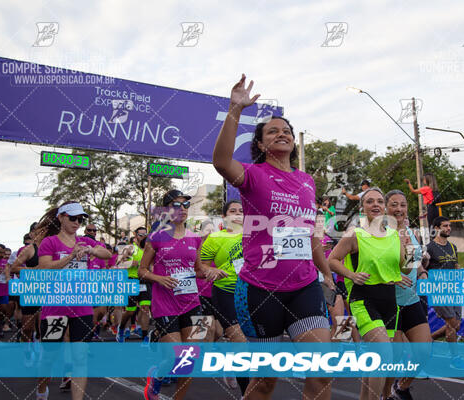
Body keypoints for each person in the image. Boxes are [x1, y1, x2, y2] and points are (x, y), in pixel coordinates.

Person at [212, 74, 335, 400]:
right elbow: (221, 161)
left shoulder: (307, 181)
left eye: (287, 131)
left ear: (293, 141)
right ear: (262, 144)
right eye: (273, 131)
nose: (282, 134)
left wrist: (325, 272)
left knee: (322, 371)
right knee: (266, 382)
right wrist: (235, 109)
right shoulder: (253, 175)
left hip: (304, 287)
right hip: (261, 292)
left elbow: (309, 236)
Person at [138, 189, 226, 400]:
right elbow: (142, 271)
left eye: (185, 205)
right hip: (165, 304)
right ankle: (158, 374)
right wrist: (159, 279)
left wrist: (210, 273)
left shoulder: (195, 238)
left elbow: (197, 270)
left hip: (191, 302)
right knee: (172, 358)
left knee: (190, 359)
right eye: (177, 205)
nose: (183, 209)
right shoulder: (156, 238)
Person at [328, 188, 411, 399]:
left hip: (390, 302)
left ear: (384, 207)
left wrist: (410, 246)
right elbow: (332, 260)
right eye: (370, 201)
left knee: (382, 360)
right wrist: (351, 275)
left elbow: (406, 267)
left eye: (380, 201)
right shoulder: (355, 234)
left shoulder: (394, 235)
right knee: (383, 355)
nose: (376, 205)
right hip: (363, 300)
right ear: (362, 207)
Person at [35, 201, 111, 400]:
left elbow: (107, 253)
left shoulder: (86, 242)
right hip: (55, 308)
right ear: (61, 217)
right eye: (73, 218)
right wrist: (70, 257)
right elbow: (44, 268)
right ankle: (42, 390)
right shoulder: (50, 242)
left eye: (80, 219)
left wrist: (91, 251)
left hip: (82, 307)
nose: (77, 222)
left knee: (80, 358)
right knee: (49, 357)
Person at [383, 190, 432, 400]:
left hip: (411, 299)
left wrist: (421, 272)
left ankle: (401, 388)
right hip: (388, 302)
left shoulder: (411, 232)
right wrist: (391, 277)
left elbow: (415, 260)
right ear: (385, 208)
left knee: (423, 351)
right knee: (394, 357)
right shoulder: (380, 233)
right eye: (394, 205)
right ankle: (384, 395)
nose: (399, 209)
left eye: (402, 205)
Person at [200, 200, 250, 395]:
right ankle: (246, 394)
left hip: (251, 292)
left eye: (241, 211)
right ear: (224, 216)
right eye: (233, 211)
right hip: (225, 293)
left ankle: (230, 363)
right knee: (240, 341)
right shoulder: (215, 238)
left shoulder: (254, 236)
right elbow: (201, 267)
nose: (237, 214)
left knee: (252, 342)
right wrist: (211, 270)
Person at [425, 216, 464, 370]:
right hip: (439, 292)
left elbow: (455, 265)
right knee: (452, 323)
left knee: (456, 326)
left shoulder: (453, 247)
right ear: (436, 228)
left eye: (449, 226)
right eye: (445, 226)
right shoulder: (429, 248)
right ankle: (455, 359)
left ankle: (429, 339)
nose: (448, 228)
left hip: (454, 290)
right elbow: (423, 269)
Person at [10, 224, 46, 343]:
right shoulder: (30, 249)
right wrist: (33, 270)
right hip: (31, 291)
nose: (42, 233)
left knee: (45, 329)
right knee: (27, 329)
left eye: (44, 230)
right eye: (38, 231)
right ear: (32, 234)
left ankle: (43, 356)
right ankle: (26, 353)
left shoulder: (50, 247)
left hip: (47, 291)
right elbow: (13, 268)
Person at [116, 226, 151, 344]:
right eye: (141, 235)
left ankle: (145, 337)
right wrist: (131, 262)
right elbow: (119, 263)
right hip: (132, 280)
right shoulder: (131, 248)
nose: (143, 237)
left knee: (145, 308)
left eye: (145, 234)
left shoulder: (148, 249)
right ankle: (121, 329)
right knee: (131, 311)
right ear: (135, 235)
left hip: (144, 281)